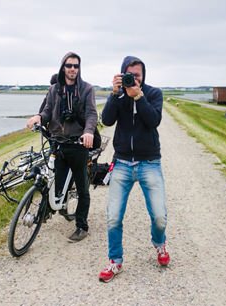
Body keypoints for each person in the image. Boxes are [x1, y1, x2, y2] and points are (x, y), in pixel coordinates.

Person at [98, 56, 168, 283]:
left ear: (143, 75)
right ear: (121, 75)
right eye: (130, 75)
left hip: (149, 162)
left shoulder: (154, 93)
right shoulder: (118, 95)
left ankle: (159, 244)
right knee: (113, 217)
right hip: (122, 163)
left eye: (137, 75)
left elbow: (154, 120)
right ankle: (115, 261)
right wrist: (114, 94)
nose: (134, 79)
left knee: (159, 216)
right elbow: (107, 120)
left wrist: (139, 97)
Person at [25, 52, 97, 242]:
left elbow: (91, 114)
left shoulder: (87, 89)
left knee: (82, 188)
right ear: (63, 67)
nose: (72, 69)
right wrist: (38, 118)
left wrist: (88, 131)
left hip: (78, 144)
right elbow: (47, 111)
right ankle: (59, 206)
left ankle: (82, 226)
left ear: (79, 69)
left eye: (76, 66)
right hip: (57, 142)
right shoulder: (54, 89)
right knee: (56, 181)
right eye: (69, 65)